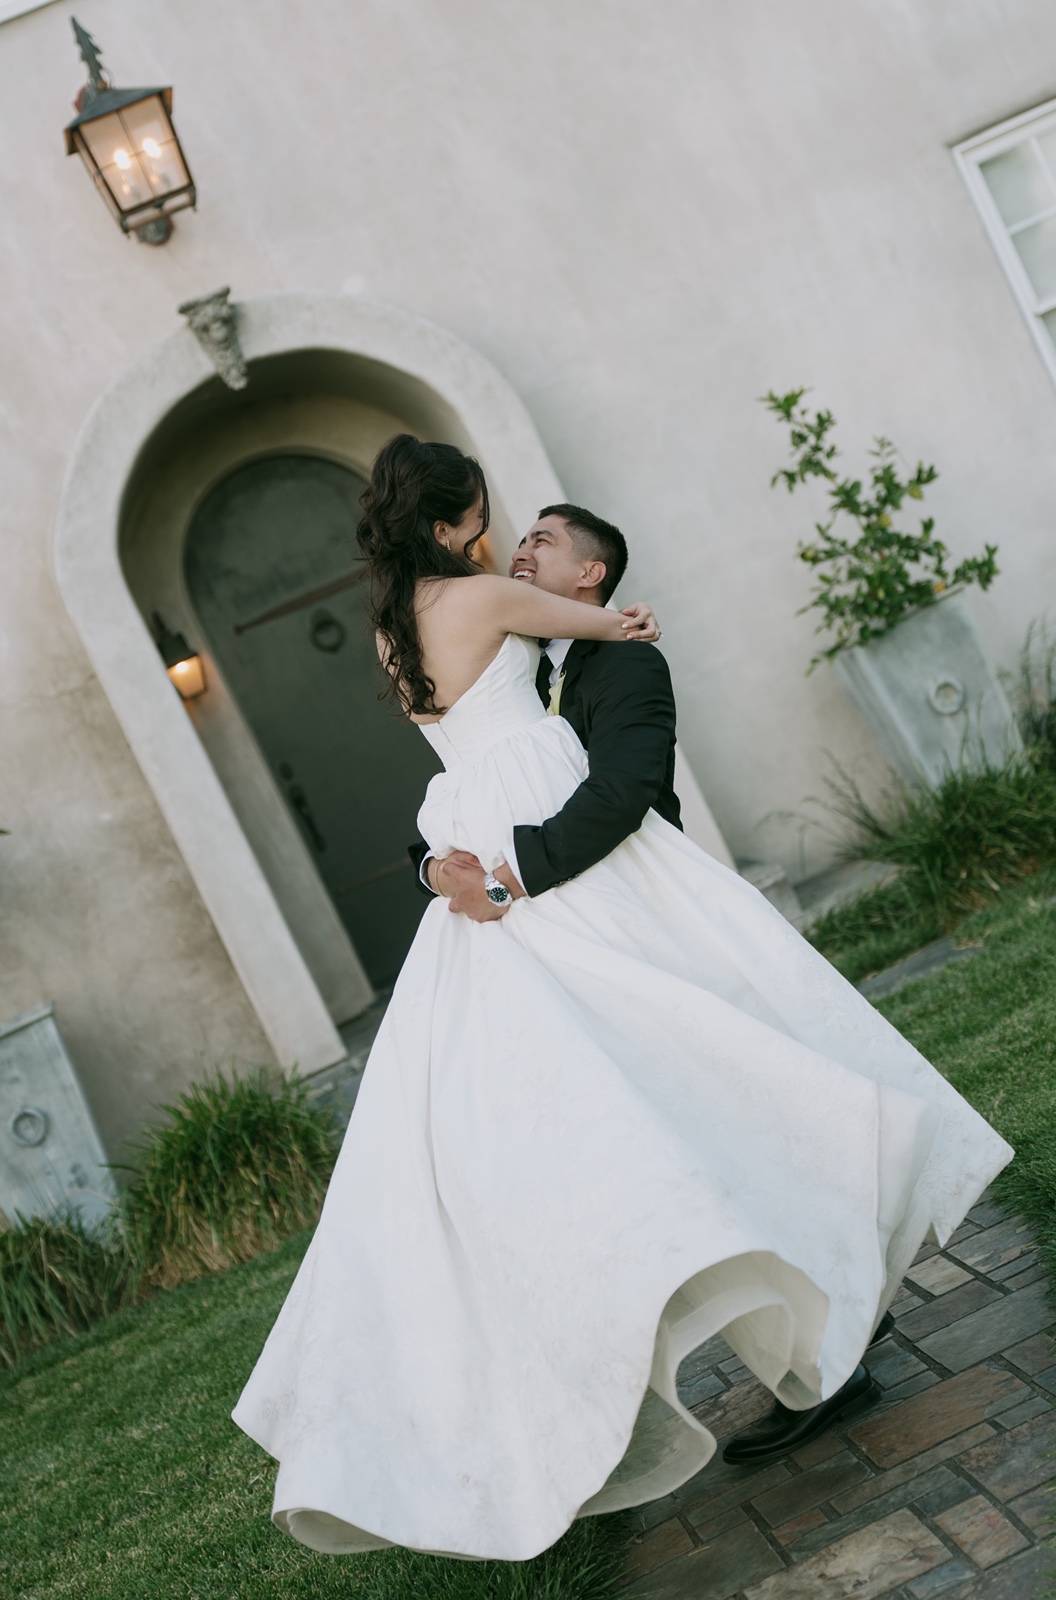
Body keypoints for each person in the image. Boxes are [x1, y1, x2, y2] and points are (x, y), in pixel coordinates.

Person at [233, 435, 1012, 1564]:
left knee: (620, 1106)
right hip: (537, 862)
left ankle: (788, 1303)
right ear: (450, 523)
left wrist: (453, 865)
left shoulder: (393, 629)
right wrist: (614, 619)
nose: (504, 539)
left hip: (498, 852)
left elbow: (491, 762)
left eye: (529, 534)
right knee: (666, 1088)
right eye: (488, 521)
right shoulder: (492, 600)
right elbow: (610, 627)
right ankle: (778, 1291)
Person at [407, 501, 682, 921]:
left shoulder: (628, 662)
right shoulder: (510, 667)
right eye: (521, 542)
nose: (520, 552)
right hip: (532, 906)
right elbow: (480, 785)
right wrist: (438, 871)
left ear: (590, 573)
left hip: (630, 891)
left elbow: (619, 794)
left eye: (542, 542)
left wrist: (503, 884)